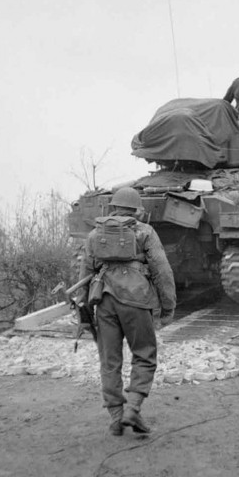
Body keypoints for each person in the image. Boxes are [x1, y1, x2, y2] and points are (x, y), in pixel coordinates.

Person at [76, 186, 176, 436]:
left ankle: (116, 416)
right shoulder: (145, 231)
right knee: (144, 354)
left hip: (104, 301)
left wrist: (83, 311)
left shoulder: (95, 234)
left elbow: (84, 274)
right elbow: (162, 271)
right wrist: (168, 306)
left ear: (114, 208)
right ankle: (132, 409)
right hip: (137, 300)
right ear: (137, 209)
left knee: (109, 361)